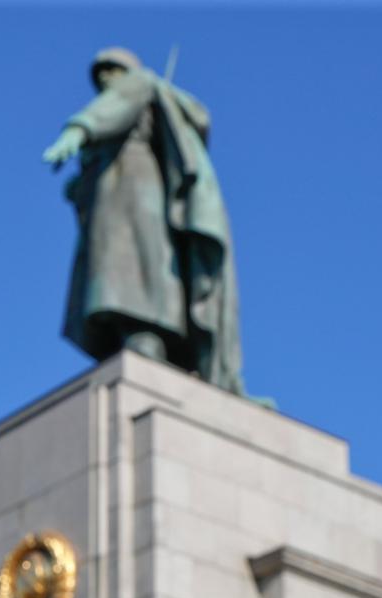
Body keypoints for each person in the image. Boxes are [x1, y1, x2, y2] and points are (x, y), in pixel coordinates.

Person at [42, 47, 245, 395]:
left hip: (133, 193)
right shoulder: (118, 112)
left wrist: (77, 131)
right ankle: (137, 343)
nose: (105, 78)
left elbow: (113, 108)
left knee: (135, 268)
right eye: (100, 72)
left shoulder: (138, 84)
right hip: (116, 194)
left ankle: (146, 338)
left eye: (111, 69)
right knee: (121, 271)